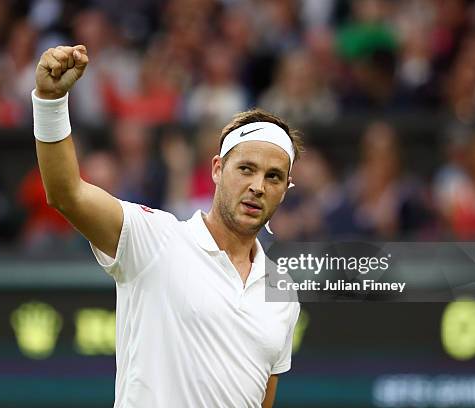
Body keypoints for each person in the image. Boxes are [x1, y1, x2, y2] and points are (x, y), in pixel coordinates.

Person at [31, 45, 302, 407]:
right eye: (246, 169)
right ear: (217, 169)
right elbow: (66, 193)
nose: (257, 186)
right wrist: (50, 101)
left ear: (284, 191)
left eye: (273, 177)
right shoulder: (155, 238)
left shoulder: (281, 291)